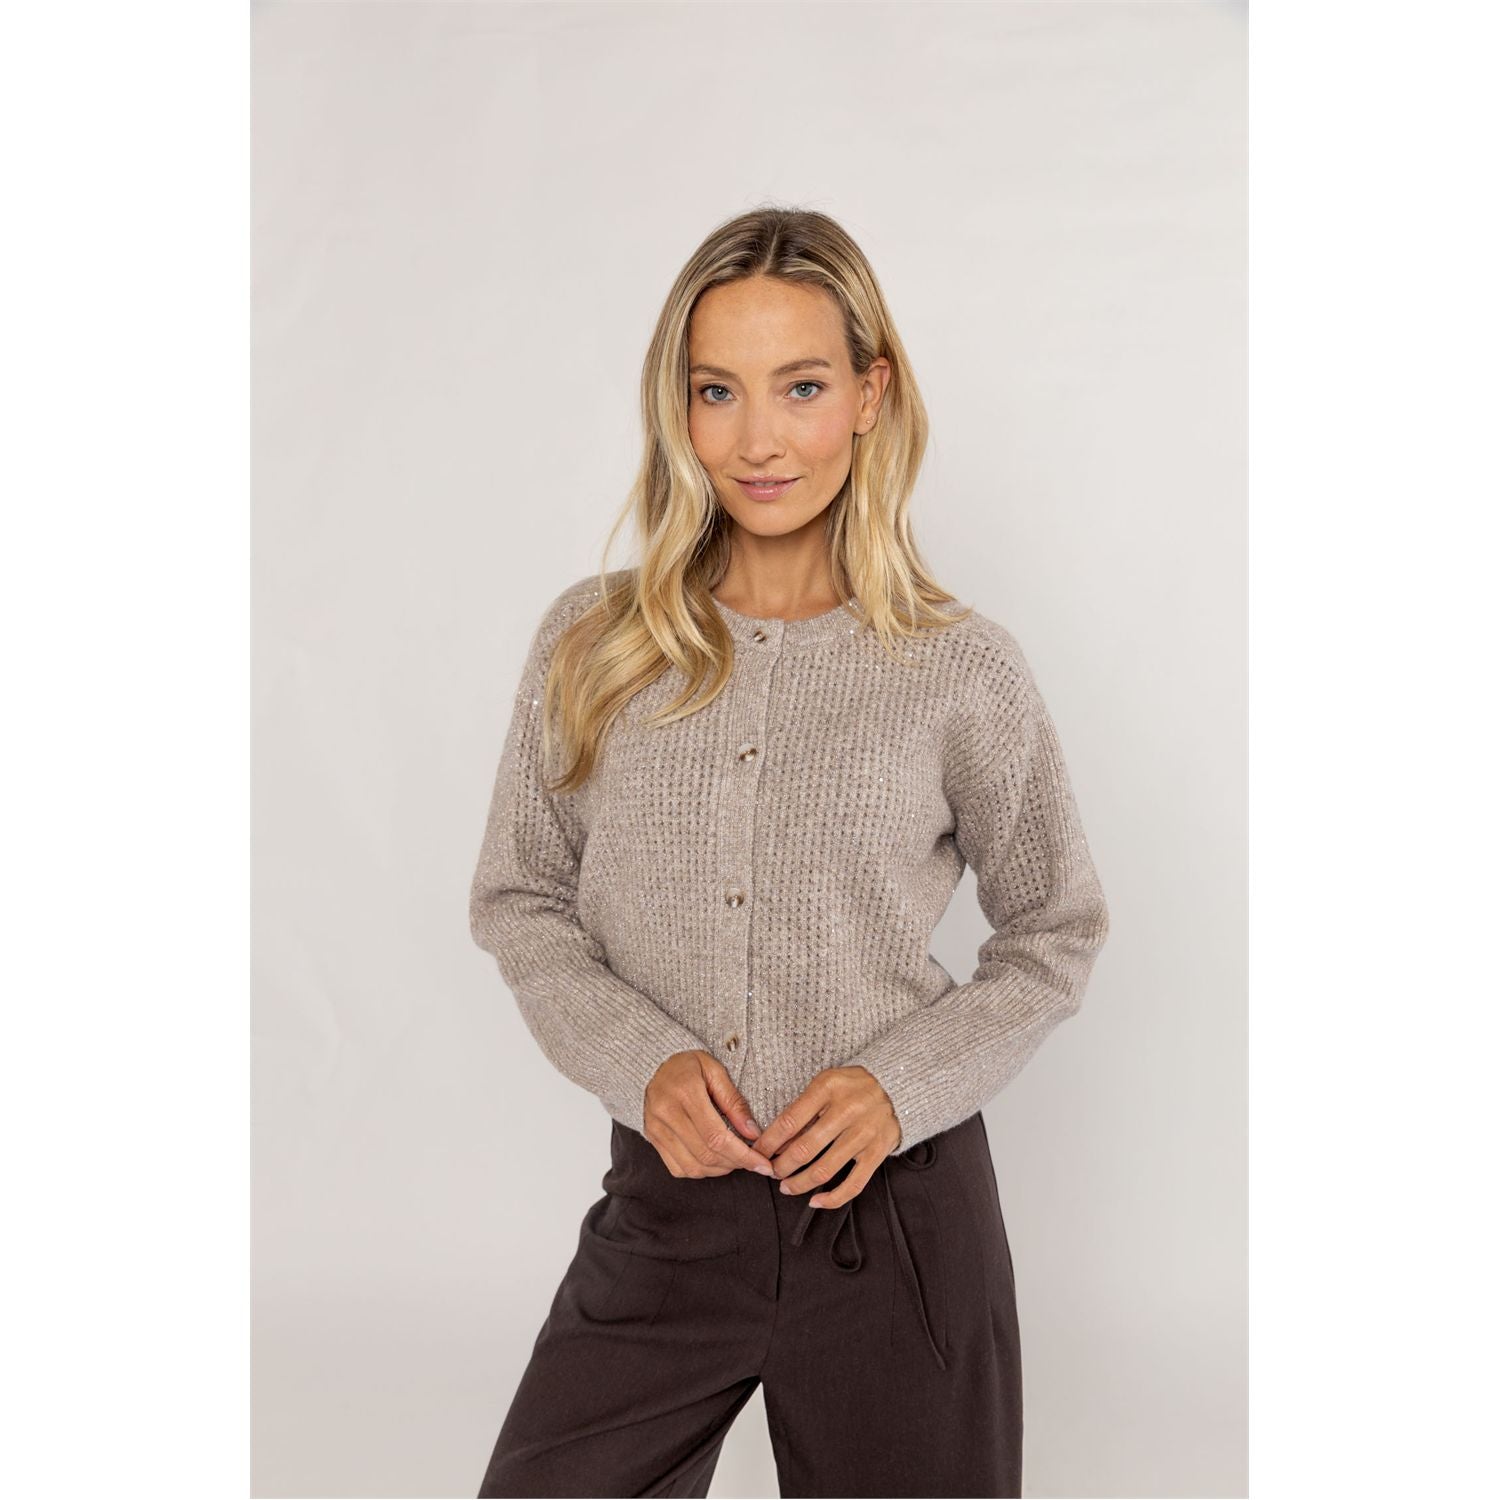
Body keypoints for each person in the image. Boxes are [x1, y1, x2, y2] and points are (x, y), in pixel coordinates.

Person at [466, 205, 1110, 1498]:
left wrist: (898, 1086)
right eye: (719, 391)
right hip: (666, 1220)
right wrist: (641, 1061)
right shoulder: (594, 645)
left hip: (898, 1223)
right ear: (679, 409)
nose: (758, 439)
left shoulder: (959, 669)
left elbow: (1056, 932)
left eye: (802, 387)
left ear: (872, 394)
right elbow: (521, 899)